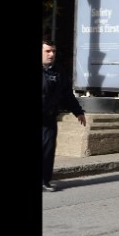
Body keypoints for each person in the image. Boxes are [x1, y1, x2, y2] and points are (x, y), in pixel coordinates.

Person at [42, 39, 87, 192]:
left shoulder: (59, 71)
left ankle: (44, 181)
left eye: (53, 51)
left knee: (48, 150)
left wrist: (78, 112)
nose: (51, 54)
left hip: (48, 118)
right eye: (47, 51)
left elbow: (67, 95)